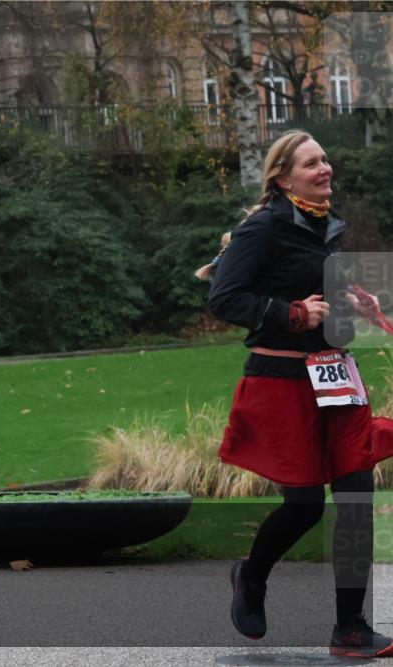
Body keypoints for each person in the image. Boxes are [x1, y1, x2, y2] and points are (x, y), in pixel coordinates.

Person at [203, 129, 393, 658]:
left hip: (337, 375)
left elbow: (313, 281)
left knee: (356, 495)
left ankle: (350, 628)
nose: (325, 168)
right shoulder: (261, 228)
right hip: (286, 380)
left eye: (326, 159)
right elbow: (224, 296)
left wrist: (349, 297)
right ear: (284, 177)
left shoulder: (326, 225)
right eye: (312, 163)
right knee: (306, 505)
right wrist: (291, 314)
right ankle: (251, 577)